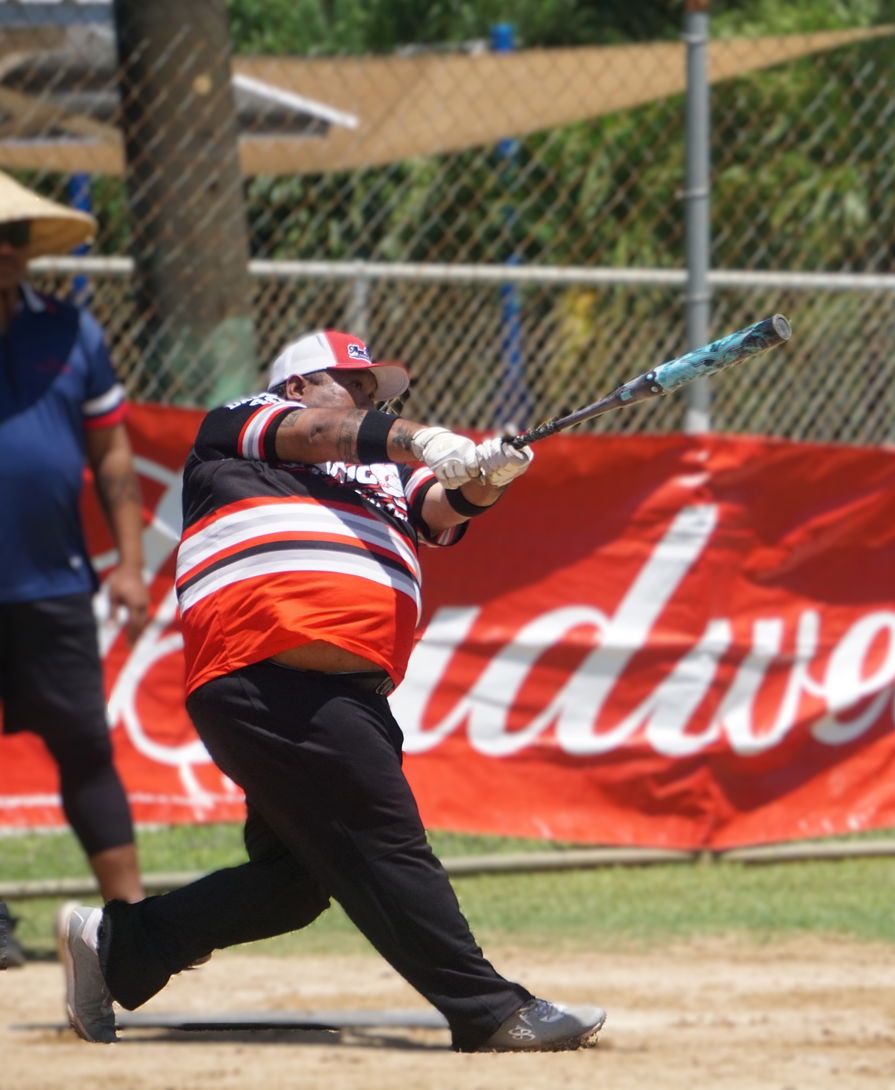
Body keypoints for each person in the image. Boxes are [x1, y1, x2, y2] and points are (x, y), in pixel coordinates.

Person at [54, 330, 606, 1052]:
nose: (371, 403)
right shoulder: (241, 426)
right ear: (295, 387)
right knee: (386, 840)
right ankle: (491, 1010)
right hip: (271, 670)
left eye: (378, 396)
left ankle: (119, 943)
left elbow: (441, 510)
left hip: (339, 689)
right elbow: (324, 432)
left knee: (295, 883)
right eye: (358, 387)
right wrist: (424, 437)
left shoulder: (382, 478)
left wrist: (486, 477)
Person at [0, 171, 149, 971]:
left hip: (55, 581)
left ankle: (132, 929)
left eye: (17, 236)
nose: (8, 252)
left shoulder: (71, 330)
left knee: (87, 747)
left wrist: (128, 563)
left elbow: (111, 449)